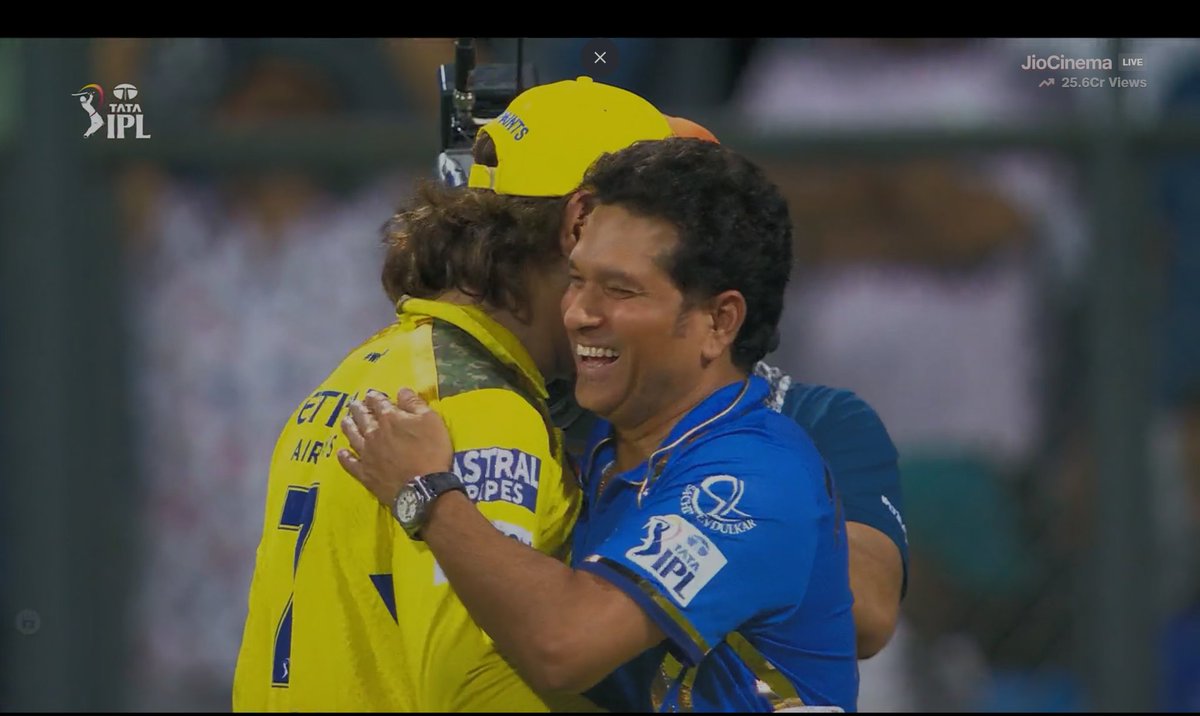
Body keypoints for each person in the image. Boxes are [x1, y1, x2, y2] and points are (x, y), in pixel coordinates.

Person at [338, 137, 859, 711]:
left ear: (719, 320)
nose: (580, 314)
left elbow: (564, 645)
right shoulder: (599, 452)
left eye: (620, 290)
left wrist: (428, 493)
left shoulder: (757, 478)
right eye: (577, 279)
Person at [231, 77, 675, 711]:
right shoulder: (480, 403)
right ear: (580, 222)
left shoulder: (366, 368)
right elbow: (475, 683)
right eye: (662, 235)